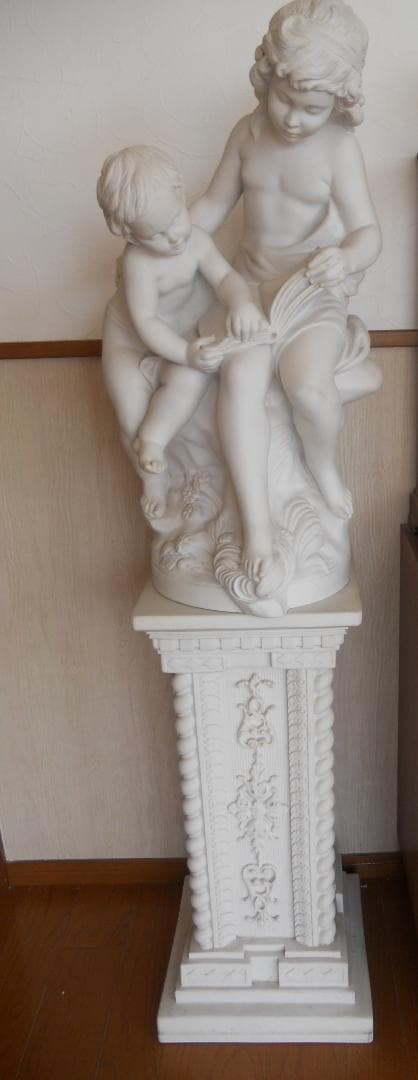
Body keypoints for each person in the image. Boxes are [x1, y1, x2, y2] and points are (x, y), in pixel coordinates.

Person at [191, 0, 382, 544]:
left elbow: (369, 232)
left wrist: (345, 257)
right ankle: (254, 524)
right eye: (284, 100)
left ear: (339, 102)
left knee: (309, 388)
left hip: (310, 295)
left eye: (312, 108)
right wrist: (169, 235)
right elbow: (212, 206)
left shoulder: (339, 148)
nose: (294, 119)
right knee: (239, 383)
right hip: (248, 291)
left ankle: (321, 464)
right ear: (265, 77)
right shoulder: (247, 135)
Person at [97, 144, 269, 520]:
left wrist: (241, 302)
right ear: (128, 234)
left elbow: (225, 278)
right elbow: (146, 323)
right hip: (129, 344)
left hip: (176, 339)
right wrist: (187, 352)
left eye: (176, 218)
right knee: (130, 415)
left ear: (180, 191)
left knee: (190, 380)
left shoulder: (196, 241)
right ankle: (152, 479)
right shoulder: (138, 263)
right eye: (156, 234)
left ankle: (155, 439)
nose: (174, 236)